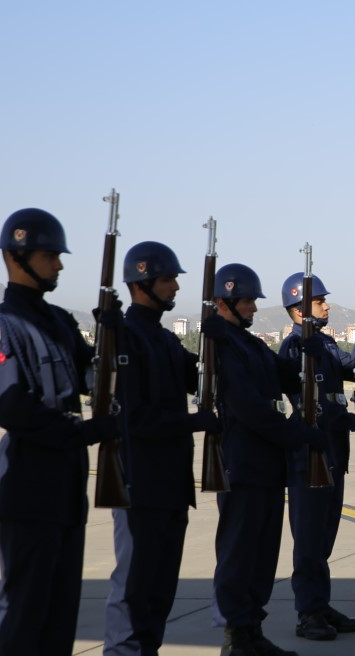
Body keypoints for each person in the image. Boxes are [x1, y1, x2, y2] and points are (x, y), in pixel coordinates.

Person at [0, 208, 118, 655]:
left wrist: (116, 336)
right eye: (49, 255)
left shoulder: (59, 321)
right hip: (27, 490)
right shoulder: (6, 327)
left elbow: (92, 377)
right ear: (17, 257)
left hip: (64, 489)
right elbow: (13, 410)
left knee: (60, 622)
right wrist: (81, 431)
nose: (59, 264)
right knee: (24, 620)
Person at [104, 241, 218, 656]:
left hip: (170, 484)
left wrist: (218, 338)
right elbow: (134, 419)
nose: (174, 288)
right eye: (168, 279)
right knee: (134, 587)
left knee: (160, 590)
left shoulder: (165, 341)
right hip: (140, 482)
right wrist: (192, 422)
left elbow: (202, 377)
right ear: (142, 282)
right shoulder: (128, 338)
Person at [204, 262, 322, 656]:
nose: (254, 308)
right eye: (249, 301)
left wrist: (306, 350)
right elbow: (249, 407)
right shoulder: (223, 344)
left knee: (262, 555)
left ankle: (252, 629)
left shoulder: (250, 344)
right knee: (239, 554)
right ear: (225, 301)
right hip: (243, 462)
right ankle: (236, 635)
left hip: (268, 465)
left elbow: (280, 375)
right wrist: (296, 434)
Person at [276, 271, 355, 641]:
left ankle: (320, 604)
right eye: (319, 301)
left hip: (333, 447)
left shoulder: (325, 344)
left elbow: (352, 366)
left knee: (325, 535)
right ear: (298, 309)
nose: (327, 305)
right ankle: (307, 612)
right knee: (309, 538)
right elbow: (299, 399)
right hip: (310, 449)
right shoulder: (293, 348)